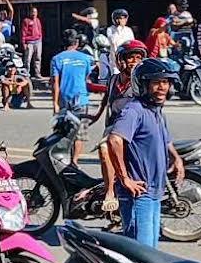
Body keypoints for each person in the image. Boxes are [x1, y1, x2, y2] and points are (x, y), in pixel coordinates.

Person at [105, 59, 183, 248]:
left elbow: (164, 139)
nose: (162, 87)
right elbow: (114, 140)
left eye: (165, 82)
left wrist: (176, 158)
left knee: (151, 251)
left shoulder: (156, 111)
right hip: (139, 195)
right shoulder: (134, 110)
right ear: (144, 85)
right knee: (142, 255)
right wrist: (124, 179)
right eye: (156, 83)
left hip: (155, 192)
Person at [92, 40, 147, 214]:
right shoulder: (113, 79)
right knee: (104, 147)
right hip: (114, 126)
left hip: (132, 128)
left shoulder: (142, 83)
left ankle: (110, 193)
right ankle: (110, 188)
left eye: (138, 58)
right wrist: (95, 116)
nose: (135, 61)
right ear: (121, 60)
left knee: (104, 148)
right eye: (131, 57)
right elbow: (106, 100)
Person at [51, 32, 95, 165]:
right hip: (81, 98)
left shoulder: (57, 59)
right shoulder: (86, 58)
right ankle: (75, 161)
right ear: (76, 43)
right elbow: (86, 77)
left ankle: (62, 159)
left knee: (63, 131)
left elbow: (55, 83)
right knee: (80, 133)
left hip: (64, 99)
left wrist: (55, 104)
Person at [21, 6, 44, 79]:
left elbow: (40, 30)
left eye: (35, 12)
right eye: (32, 12)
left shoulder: (37, 20)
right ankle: (26, 74)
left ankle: (37, 73)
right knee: (28, 59)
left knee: (38, 58)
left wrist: (40, 38)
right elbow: (23, 32)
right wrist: (24, 43)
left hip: (38, 41)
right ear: (30, 13)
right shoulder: (26, 20)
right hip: (29, 42)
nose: (34, 14)